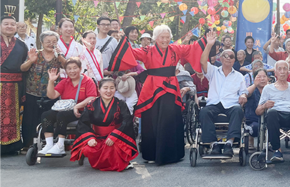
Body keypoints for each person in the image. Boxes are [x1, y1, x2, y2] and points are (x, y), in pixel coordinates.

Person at [107, 24, 207, 165]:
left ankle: (172, 154)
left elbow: (192, 48)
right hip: (151, 87)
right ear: (155, 38)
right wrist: (122, 40)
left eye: (167, 37)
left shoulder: (175, 49)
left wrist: (206, 41)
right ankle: (151, 153)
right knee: (151, 119)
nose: (165, 40)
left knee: (169, 118)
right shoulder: (147, 50)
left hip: (171, 87)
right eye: (162, 37)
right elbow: (130, 53)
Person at [70, 78, 138, 171]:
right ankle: (105, 163)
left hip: (116, 137)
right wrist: (90, 138)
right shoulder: (91, 104)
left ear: (115, 89)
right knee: (88, 149)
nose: (108, 91)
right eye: (105, 88)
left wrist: (114, 136)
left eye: (112, 88)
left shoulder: (120, 104)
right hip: (97, 137)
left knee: (113, 147)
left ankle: (118, 162)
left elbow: (127, 121)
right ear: (99, 89)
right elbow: (83, 123)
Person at [200, 31, 248, 158]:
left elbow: (243, 91)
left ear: (234, 60)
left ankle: (229, 143)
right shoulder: (213, 71)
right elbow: (203, 61)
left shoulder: (239, 76)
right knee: (204, 112)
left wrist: (243, 95)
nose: (228, 58)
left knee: (238, 111)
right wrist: (209, 45)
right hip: (214, 103)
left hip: (231, 104)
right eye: (225, 56)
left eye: (231, 57)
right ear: (220, 59)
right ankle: (213, 144)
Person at [38, 58, 98, 155]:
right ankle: (49, 144)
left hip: (81, 111)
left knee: (62, 116)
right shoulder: (65, 82)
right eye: (69, 68)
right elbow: (52, 95)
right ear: (66, 71)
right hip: (65, 108)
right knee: (46, 115)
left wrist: (77, 106)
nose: (72, 71)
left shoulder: (88, 81)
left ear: (80, 68)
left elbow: (92, 97)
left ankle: (60, 145)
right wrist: (51, 81)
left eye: (75, 68)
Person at [256, 60, 290, 162]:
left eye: (285, 68)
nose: (282, 71)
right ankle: (277, 150)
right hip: (276, 116)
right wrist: (264, 106)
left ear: (288, 72)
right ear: (275, 72)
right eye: (279, 69)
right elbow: (258, 111)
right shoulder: (268, 88)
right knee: (271, 112)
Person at [20, 31, 65, 148]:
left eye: (54, 42)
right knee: (29, 119)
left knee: (49, 119)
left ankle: (48, 144)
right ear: (41, 43)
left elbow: (67, 66)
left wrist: (60, 55)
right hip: (32, 93)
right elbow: (22, 68)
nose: (51, 44)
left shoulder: (58, 56)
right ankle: (28, 145)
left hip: (51, 94)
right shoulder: (35, 54)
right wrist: (30, 60)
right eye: (48, 41)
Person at [0, 16, 28, 154]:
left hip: (15, 86)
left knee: (13, 117)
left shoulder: (21, 45)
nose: (9, 26)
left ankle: (12, 147)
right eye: (6, 24)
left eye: (12, 24)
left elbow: (24, 67)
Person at [245, 69, 268, 150]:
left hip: (268, 118)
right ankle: (251, 139)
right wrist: (255, 85)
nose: (262, 79)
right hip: (253, 119)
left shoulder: (270, 88)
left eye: (264, 76)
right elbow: (245, 94)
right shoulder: (252, 88)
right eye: (259, 77)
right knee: (255, 127)